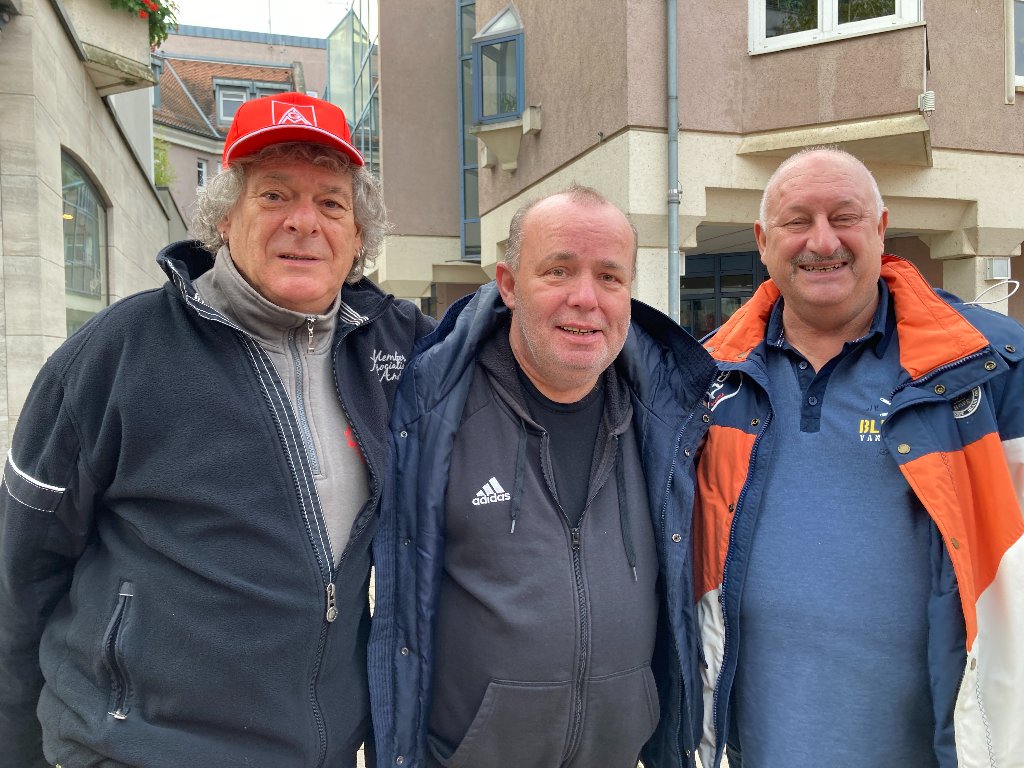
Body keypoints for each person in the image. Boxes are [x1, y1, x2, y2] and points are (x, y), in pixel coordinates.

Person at [0, 92, 434, 767]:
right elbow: (21, 575)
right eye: (274, 195)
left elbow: (523, 353)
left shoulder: (398, 346)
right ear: (225, 218)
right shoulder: (117, 352)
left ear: (358, 237)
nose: (303, 222)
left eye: (330, 203)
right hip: (137, 749)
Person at [694, 147, 1024, 767]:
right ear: (763, 241)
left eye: (844, 217)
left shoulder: (992, 369)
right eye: (797, 221)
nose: (823, 241)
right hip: (755, 750)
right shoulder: (706, 381)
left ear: (881, 229)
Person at [367, 185, 717, 768]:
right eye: (558, 271)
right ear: (508, 285)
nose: (586, 298)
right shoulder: (430, 415)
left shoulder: (667, 421)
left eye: (610, 277)